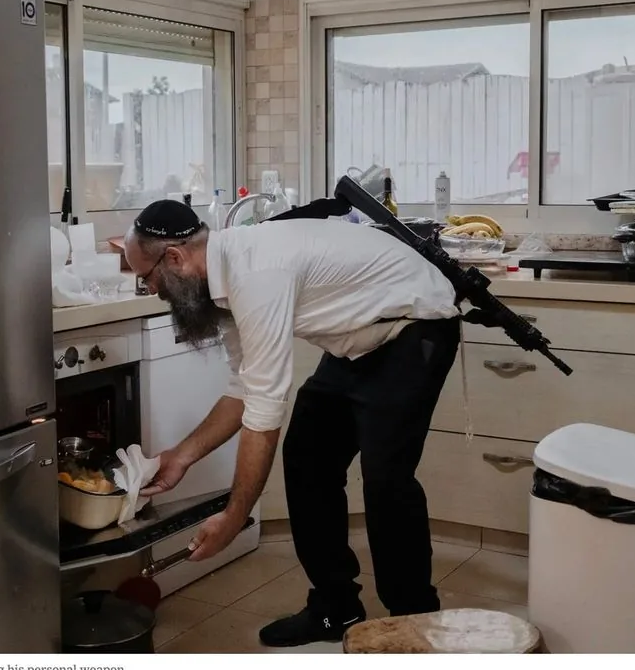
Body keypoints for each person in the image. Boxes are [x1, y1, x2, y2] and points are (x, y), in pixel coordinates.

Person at [124, 197, 462, 647]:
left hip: (414, 324)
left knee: (386, 479)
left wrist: (235, 516)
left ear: (173, 258)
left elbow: (265, 409)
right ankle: (335, 607)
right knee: (307, 458)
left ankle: (414, 618)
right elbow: (244, 387)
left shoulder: (255, 274)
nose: (151, 290)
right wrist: (181, 457)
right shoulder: (220, 283)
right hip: (359, 336)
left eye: (146, 277)